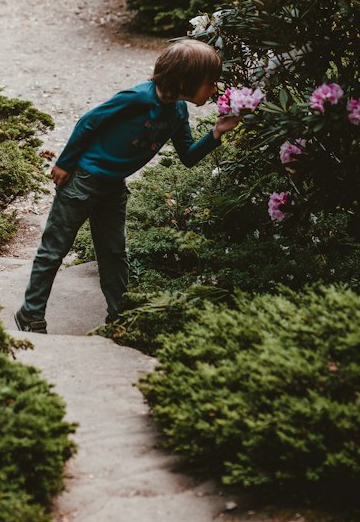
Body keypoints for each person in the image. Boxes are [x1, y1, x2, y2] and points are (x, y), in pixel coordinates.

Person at [13, 39, 239, 333]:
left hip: (112, 187)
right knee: (54, 250)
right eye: (210, 82)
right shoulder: (137, 98)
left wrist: (217, 133)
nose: (214, 89)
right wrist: (65, 163)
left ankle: (119, 318)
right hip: (83, 180)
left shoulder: (179, 112)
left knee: (114, 253)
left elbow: (188, 157)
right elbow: (88, 122)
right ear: (186, 80)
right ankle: (30, 315)